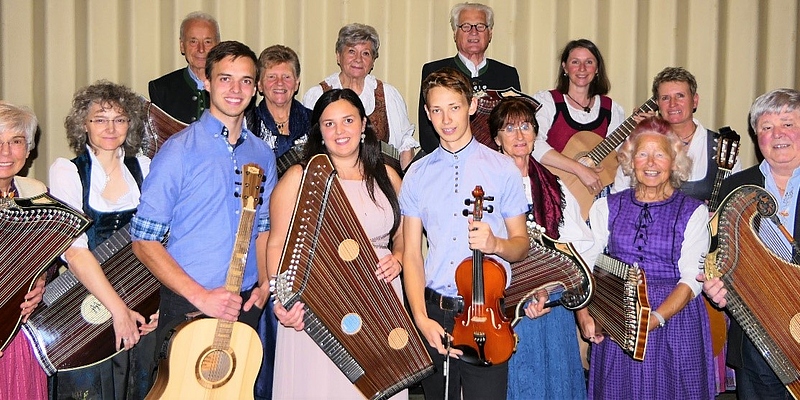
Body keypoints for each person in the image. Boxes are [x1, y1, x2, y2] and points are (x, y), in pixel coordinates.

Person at [131, 41, 276, 389]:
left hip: (244, 306)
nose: (235, 89)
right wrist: (200, 296)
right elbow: (144, 241)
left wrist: (265, 283)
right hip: (189, 303)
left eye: (245, 81)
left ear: (256, 88)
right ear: (207, 83)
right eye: (225, 78)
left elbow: (264, 230)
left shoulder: (263, 154)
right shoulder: (178, 151)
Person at [400, 68, 529, 400]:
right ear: (427, 114)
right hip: (435, 313)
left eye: (455, 107)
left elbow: (520, 245)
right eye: (437, 110)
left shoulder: (502, 169)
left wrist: (495, 243)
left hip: (486, 314)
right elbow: (412, 255)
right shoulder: (417, 173)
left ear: (471, 106)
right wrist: (420, 319)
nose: (446, 119)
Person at [269, 88, 406, 399]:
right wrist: (283, 300)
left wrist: (397, 258)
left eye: (347, 120)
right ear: (319, 131)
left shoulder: (387, 176)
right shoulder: (299, 177)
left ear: (363, 125)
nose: (339, 131)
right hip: (319, 301)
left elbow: (403, 238)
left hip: (380, 302)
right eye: (329, 124)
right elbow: (277, 244)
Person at [577, 116, 715, 399]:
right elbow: (585, 264)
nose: (651, 163)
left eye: (660, 154)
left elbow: (692, 278)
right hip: (619, 315)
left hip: (674, 318)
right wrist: (584, 314)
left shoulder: (694, 212)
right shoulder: (606, 207)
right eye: (642, 154)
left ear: (674, 162)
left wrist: (655, 319)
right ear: (630, 161)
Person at [48, 81, 158, 399]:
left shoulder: (146, 169)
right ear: (84, 124)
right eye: (100, 118)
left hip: (142, 303)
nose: (110, 127)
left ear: (130, 124)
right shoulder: (67, 172)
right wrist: (118, 311)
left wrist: (157, 307)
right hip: (86, 307)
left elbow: (162, 243)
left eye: (119, 119)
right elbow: (74, 250)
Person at [488, 97, 592, 400]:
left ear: (535, 133)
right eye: (509, 128)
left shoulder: (554, 186)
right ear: (496, 138)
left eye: (526, 126)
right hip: (505, 303)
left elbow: (574, 252)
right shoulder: (486, 187)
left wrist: (557, 296)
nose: (519, 136)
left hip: (553, 305)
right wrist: (527, 290)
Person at [700, 88, 800, 400]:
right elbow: (714, 255)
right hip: (757, 343)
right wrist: (714, 284)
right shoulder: (735, 187)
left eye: (788, 123)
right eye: (767, 127)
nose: (777, 134)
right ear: (757, 136)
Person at [302, 23, 418, 169]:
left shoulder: (388, 95)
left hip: (380, 183)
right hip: (332, 182)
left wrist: (404, 186)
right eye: (351, 51)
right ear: (338, 56)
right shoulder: (317, 95)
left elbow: (404, 146)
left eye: (366, 53)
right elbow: (308, 148)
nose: (358, 59)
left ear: (373, 61)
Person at [614, 67, 742, 198]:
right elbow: (618, 196)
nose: (673, 104)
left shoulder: (723, 148)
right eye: (665, 98)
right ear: (658, 104)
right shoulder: (638, 145)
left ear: (695, 101)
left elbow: (737, 202)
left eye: (680, 96)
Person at [418, 2, 521, 154]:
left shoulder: (507, 74)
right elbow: (427, 132)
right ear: (455, 32)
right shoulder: (435, 71)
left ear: (490, 33)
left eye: (480, 26)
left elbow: (514, 125)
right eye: (466, 26)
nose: (474, 32)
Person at [533, 39, 625, 196]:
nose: (582, 68)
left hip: (590, 195)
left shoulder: (610, 109)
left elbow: (619, 158)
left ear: (597, 69)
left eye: (589, 62)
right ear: (565, 67)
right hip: (551, 190)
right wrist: (579, 169)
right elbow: (533, 144)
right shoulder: (547, 102)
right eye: (575, 62)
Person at [0, 101, 48, 400]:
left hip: (19, 326)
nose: (6, 152)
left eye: (15, 142)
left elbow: (48, 251)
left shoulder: (34, 191)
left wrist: (40, 277)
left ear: (28, 149)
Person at [245, 45, 312, 167]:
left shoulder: (315, 122)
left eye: (286, 77)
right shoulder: (245, 125)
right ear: (259, 84)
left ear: (297, 83)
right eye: (271, 77)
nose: (280, 83)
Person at [148, 11, 220, 124]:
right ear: (182, 46)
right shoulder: (162, 89)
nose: (201, 49)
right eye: (193, 41)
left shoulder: (233, 86)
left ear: (218, 46)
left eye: (207, 42)